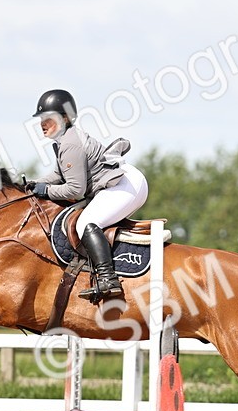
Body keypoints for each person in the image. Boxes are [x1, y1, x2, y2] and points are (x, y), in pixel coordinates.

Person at [25, 89, 148, 299]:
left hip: (126, 185)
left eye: (48, 118)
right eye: (41, 119)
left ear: (64, 118)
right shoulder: (66, 139)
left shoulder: (70, 144)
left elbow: (75, 189)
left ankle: (108, 279)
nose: (42, 124)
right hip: (121, 183)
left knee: (85, 223)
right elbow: (59, 174)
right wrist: (34, 183)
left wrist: (45, 190)